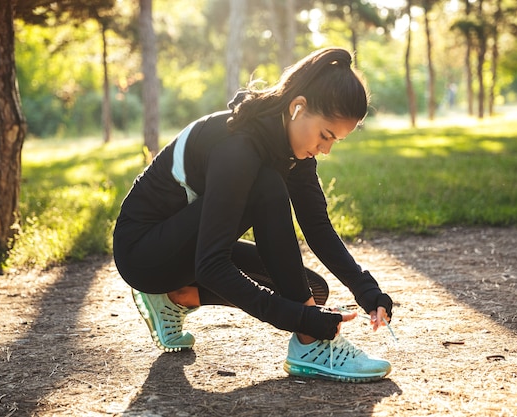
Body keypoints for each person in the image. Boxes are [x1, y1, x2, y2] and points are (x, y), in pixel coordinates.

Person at [113, 47, 394, 383]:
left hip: (187, 247)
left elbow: (316, 226)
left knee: (312, 292)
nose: (326, 149)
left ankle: (177, 296)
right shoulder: (238, 146)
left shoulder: (288, 146)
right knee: (269, 191)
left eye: (336, 141)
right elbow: (212, 265)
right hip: (144, 253)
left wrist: (367, 291)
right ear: (297, 107)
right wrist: (302, 322)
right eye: (325, 135)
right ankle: (310, 345)